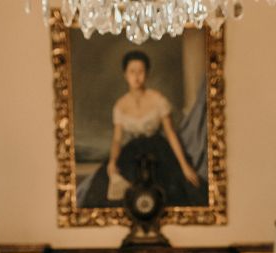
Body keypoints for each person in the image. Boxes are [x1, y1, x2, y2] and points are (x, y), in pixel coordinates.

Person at [77, 50, 208, 208]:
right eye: (132, 72)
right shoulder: (120, 105)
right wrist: (112, 161)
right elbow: (117, 139)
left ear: (147, 74)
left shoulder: (158, 100)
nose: (137, 76)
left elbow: (171, 134)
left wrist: (184, 166)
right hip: (132, 152)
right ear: (125, 75)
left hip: (159, 151)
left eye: (141, 71)